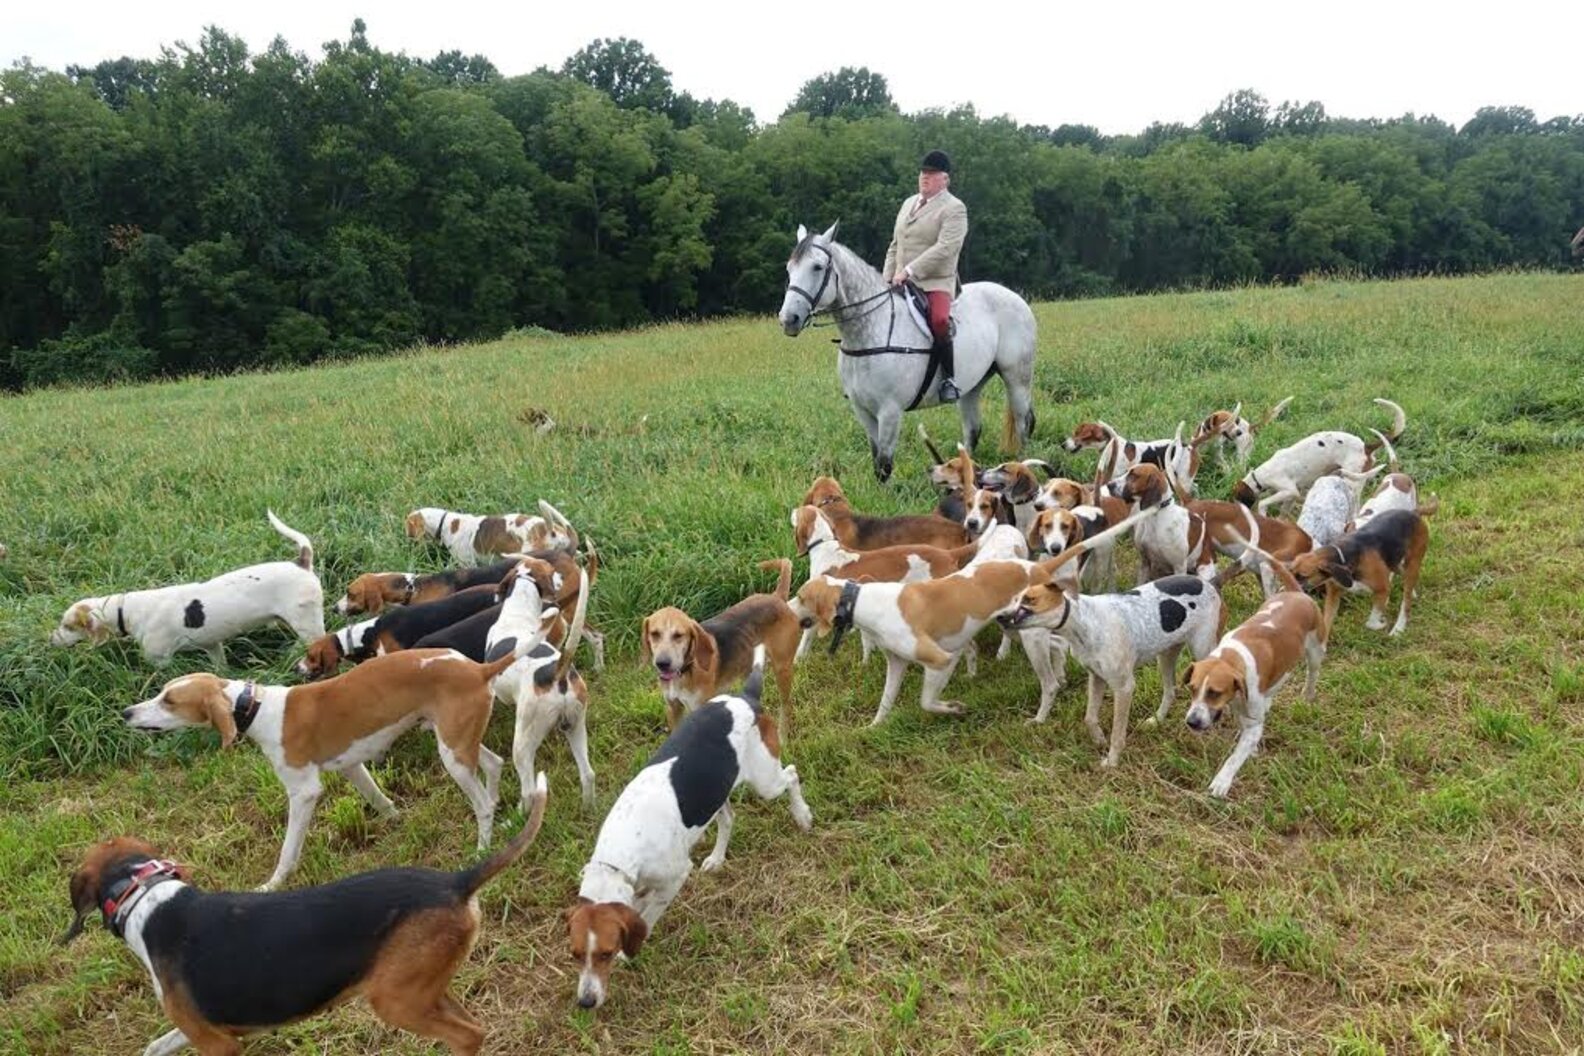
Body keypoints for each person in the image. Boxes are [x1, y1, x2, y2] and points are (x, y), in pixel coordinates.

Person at [882, 149, 968, 403]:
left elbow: (946, 248)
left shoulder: (954, 208)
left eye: (932, 173)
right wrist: (886, 277)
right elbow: (895, 243)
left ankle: (949, 379)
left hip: (935, 281)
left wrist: (909, 271)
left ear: (945, 179)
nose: (925, 177)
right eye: (923, 172)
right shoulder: (908, 203)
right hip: (899, 279)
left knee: (940, 320)